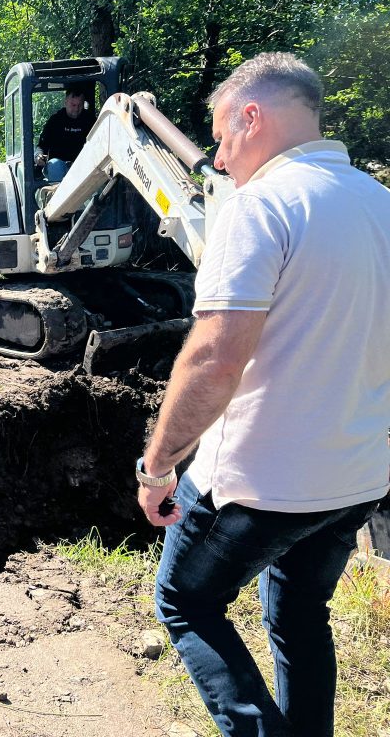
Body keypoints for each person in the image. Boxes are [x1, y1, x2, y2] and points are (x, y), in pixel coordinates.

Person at [136, 52, 390, 737]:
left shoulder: (262, 206)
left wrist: (158, 466)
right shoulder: (381, 205)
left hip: (260, 484)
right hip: (356, 475)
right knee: (302, 611)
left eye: (221, 136)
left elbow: (217, 358)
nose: (217, 158)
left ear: (254, 117)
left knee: (186, 601)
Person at [36, 85, 94, 182]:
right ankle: (58, 194)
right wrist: (39, 156)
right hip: (58, 167)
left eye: (80, 105)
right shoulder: (55, 120)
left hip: (82, 166)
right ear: (65, 102)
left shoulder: (90, 121)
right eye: (73, 105)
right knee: (55, 166)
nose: (76, 109)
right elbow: (42, 146)